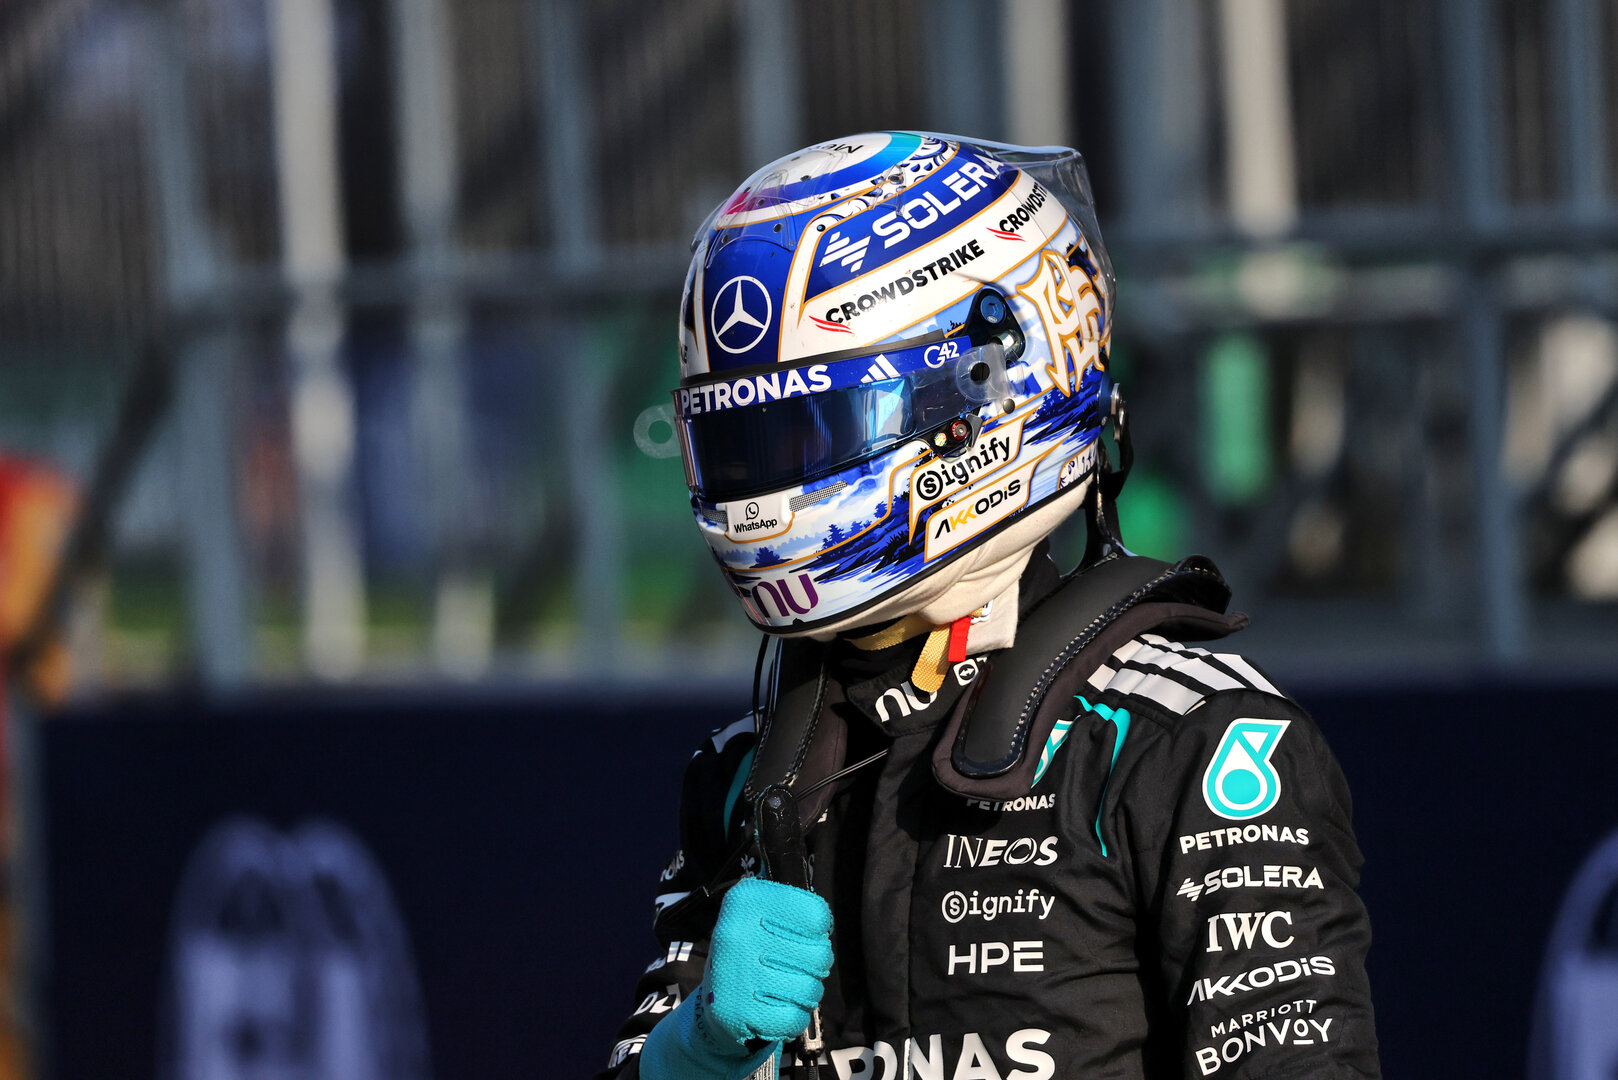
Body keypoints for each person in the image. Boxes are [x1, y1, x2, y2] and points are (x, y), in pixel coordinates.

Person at [597, 132, 1379, 1080]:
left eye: (812, 430)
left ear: (987, 401)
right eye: (744, 446)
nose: (765, 489)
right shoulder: (750, 777)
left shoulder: (1194, 742)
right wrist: (694, 1055)